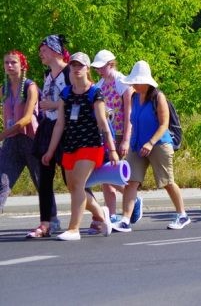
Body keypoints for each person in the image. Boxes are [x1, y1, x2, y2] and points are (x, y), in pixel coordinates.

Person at [42, 52, 115, 240]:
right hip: (70, 146)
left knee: (79, 185)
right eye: (73, 65)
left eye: (80, 65)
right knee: (73, 187)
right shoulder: (66, 93)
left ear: (87, 68)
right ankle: (101, 213)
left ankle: (74, 229)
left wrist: (113, 150)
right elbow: (60, 124)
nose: (76, 69)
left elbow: (103, 123)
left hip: (90, 145)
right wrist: (50, 151)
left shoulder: (95, 93)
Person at [113, 60, 190, 231]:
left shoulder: (158, 97)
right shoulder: (134, 97)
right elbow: (134, 121)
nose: (134, 84)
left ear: (146, 82)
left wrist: (150, 143)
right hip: (137, 145)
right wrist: (132, 142)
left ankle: (182, 215)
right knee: (131, 182)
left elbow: (164, 124)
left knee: (167, 181)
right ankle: (125, 220)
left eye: (137, 81)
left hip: (158, 144)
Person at [91, 49, 143, 225]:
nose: (99, 70)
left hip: (120, 134)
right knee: (106, 175)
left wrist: (126, 139)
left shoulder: (122, 82)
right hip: (107, 135)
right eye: (97, 67)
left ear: (110, 64)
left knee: (113, 173)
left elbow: (129, 112)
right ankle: (112, 214)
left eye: (102, 67)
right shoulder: (99, 86)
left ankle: (133, 198)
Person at [25, 35, 71, 238]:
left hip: (66, 130)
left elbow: (76, 99)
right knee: (44, 177)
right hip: (48, 128)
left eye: (44, 51)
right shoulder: (47, 75)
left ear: (55, 51)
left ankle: (98, 214)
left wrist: (52, 105)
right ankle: (46, 223)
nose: (41, 55)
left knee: (71, 179)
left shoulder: (69, 72)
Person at [0, 51, 41, 217]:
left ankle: (51, 219)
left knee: (40, 181)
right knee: (2, 181)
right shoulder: (4, 89)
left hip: (30, 139)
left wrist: (3, 134)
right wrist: (5, 136)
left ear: (22, 65)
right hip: (11, 141)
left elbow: (26, 118)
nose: (9, 66)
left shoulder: (30, 87)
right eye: (6, 63)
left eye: (13, 62)